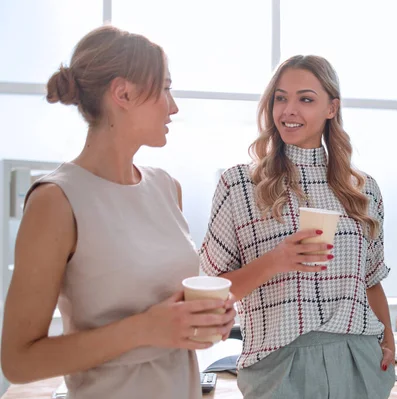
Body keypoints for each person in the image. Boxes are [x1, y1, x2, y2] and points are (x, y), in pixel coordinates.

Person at [0, 26, 236, 398]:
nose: (173, 106)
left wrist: (202, 322)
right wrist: (145, 328)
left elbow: (169, 318)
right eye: (165, 88)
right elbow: (19, 361)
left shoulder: (166, 187)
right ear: (123, 93)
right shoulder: (56, 200)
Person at [198, 55, 396, 398]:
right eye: (280, 97)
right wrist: (277, 259)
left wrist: (388, 344)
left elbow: (372, 281)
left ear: (331, 108)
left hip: (360, 361)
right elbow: (213, 291)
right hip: (278, 368)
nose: (289, 110)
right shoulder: (240, 185)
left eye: (305, 99)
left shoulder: (363, 189)